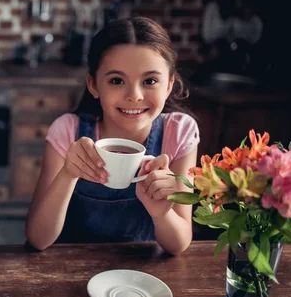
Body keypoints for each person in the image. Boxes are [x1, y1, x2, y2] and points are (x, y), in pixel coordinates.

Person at [25, 17, 199, 254]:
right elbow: (38, 238)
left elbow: (178, 245)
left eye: (150, 81)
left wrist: (163, 212)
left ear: (168, 85)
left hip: (139, 280)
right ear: (94, 85)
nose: (134, 95)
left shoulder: (179, 132)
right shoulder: (66, 131)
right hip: (70, 271)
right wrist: (68, 173)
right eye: (117, 81)